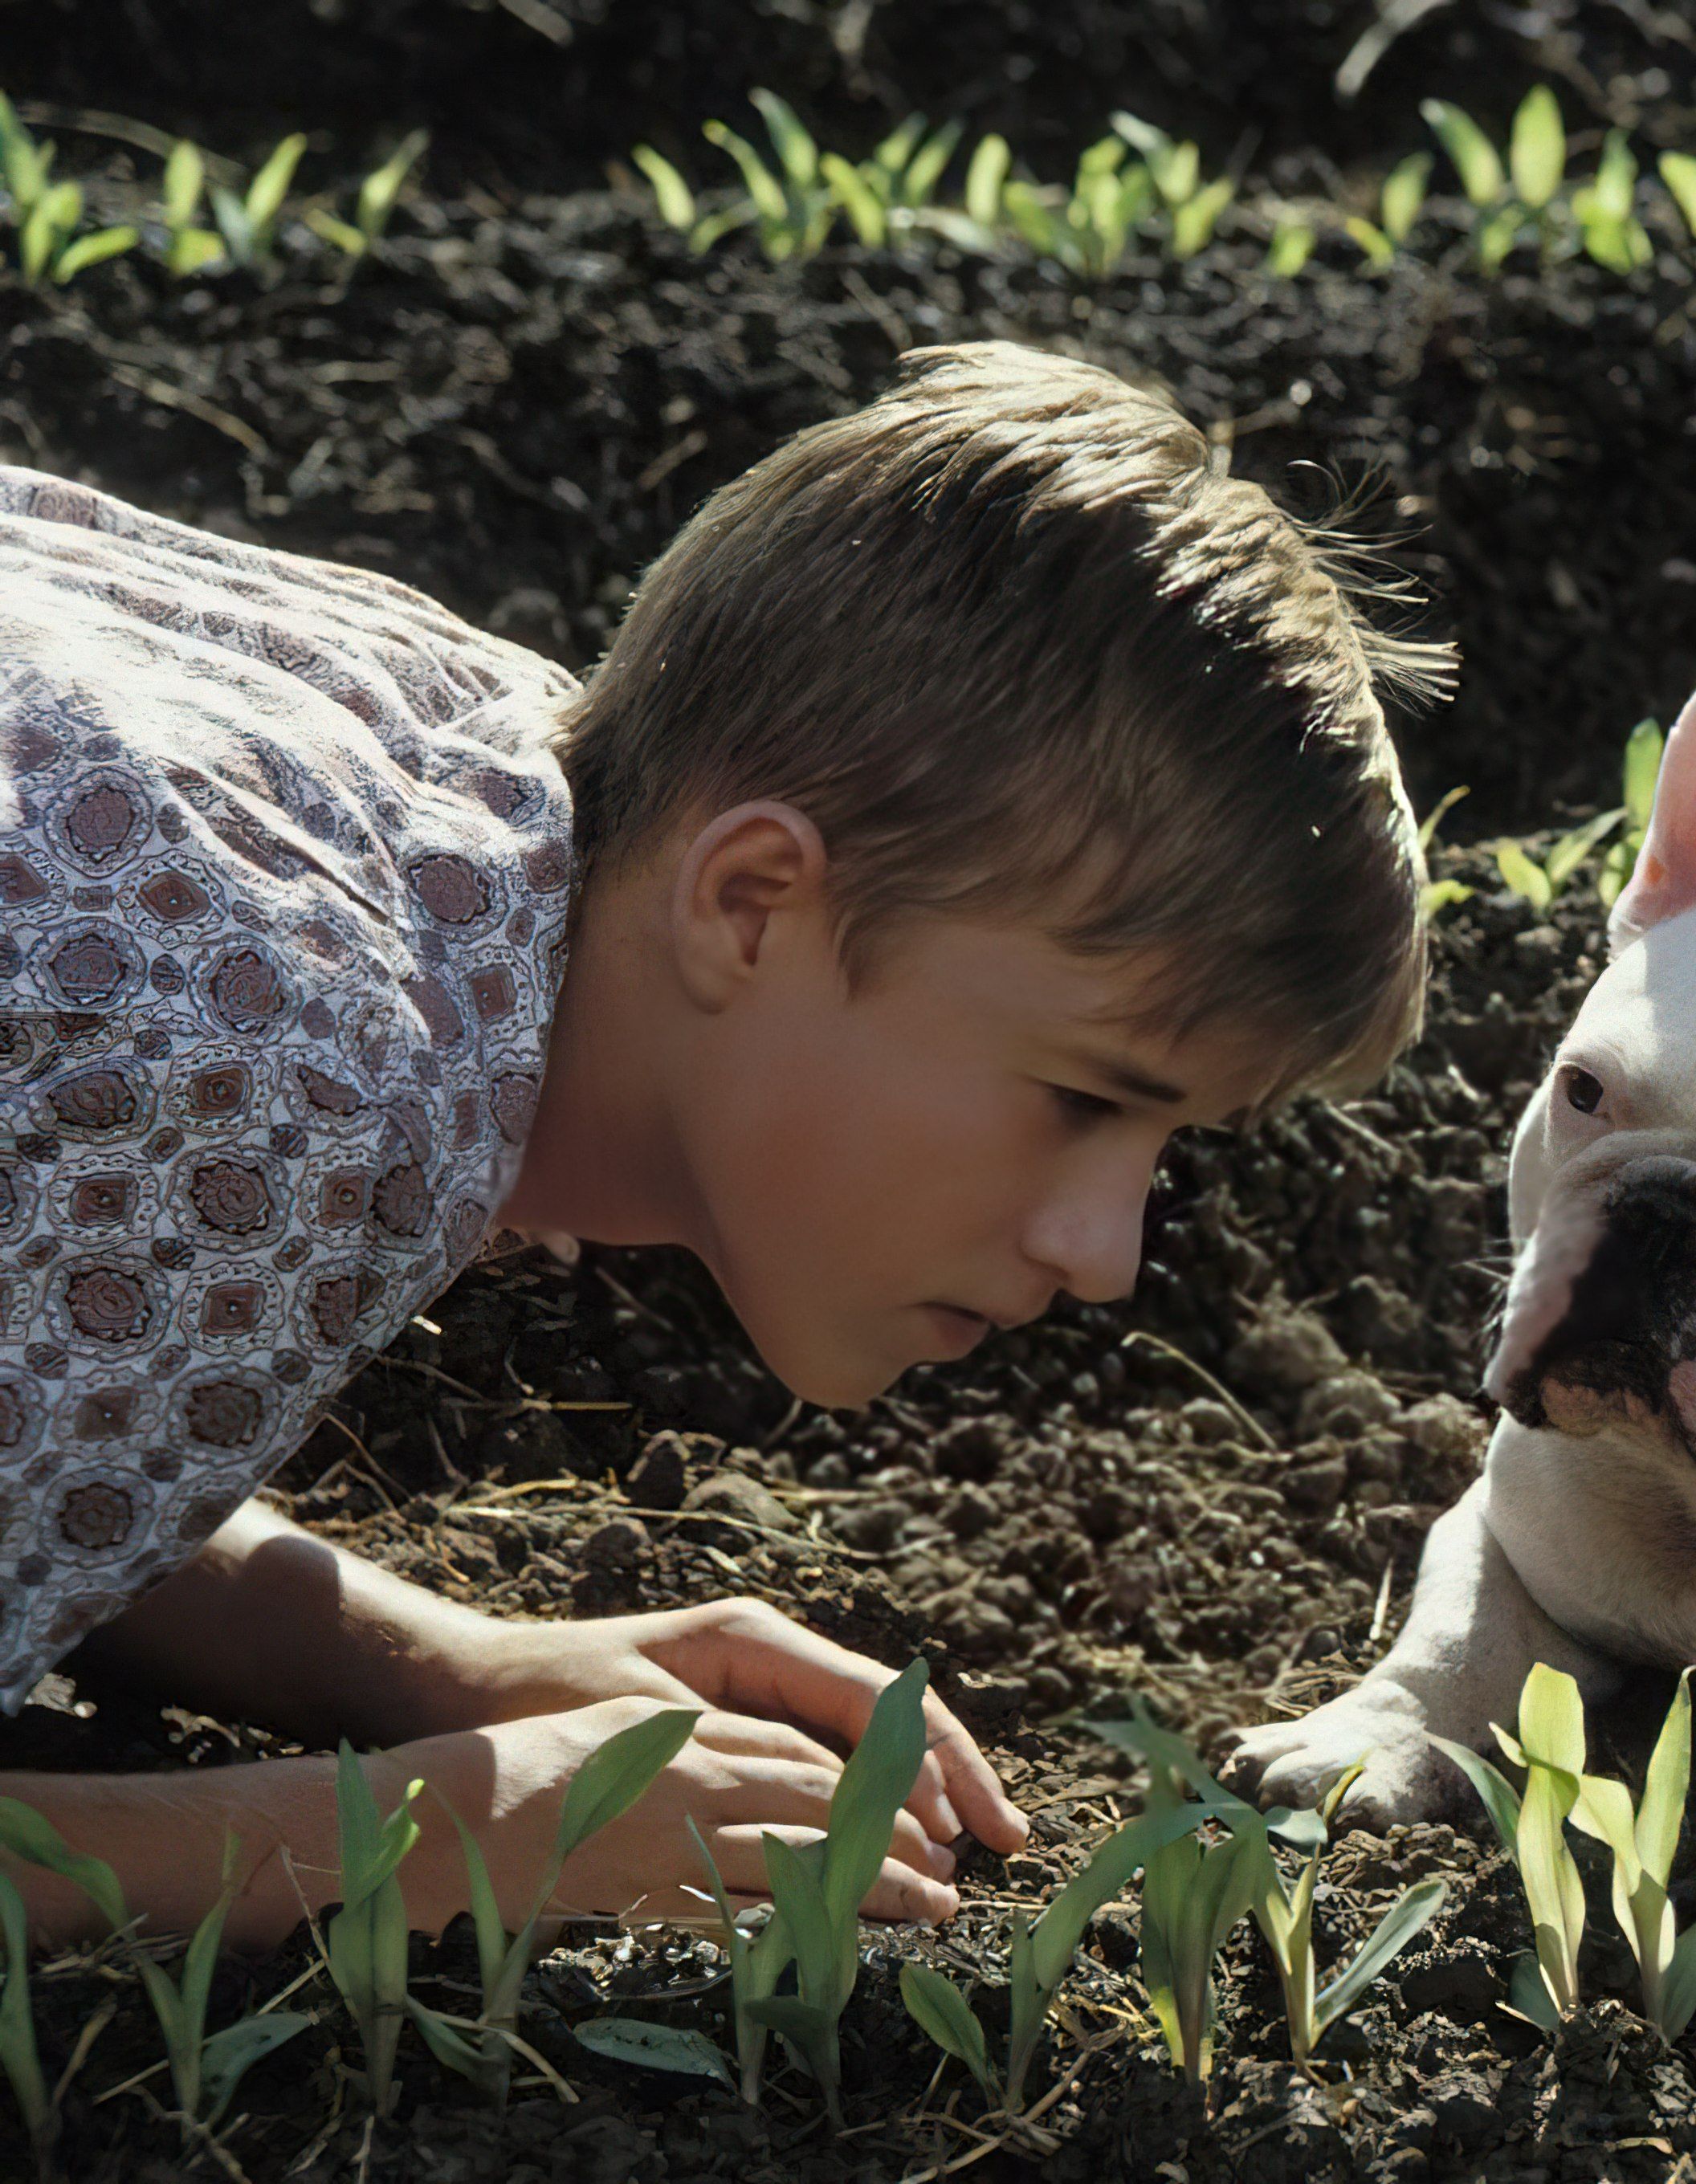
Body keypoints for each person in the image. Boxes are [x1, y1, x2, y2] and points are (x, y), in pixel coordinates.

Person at [0, 343, 1447, 1947]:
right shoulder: (297, 1091)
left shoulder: (438, 773)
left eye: (1168, 1145)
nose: (1102, 1249)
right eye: (1083, 1097)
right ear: (749, 900)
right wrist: (431, 1830)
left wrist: (429, 1662)